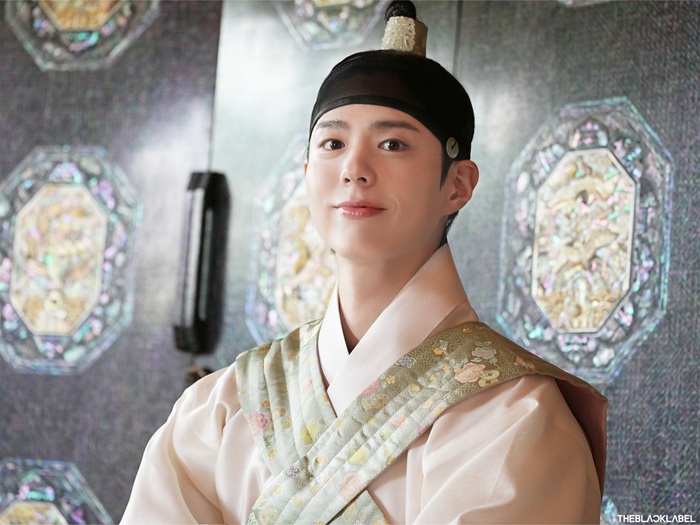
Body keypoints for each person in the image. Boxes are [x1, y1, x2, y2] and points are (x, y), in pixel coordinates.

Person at [121, 2, 606, 523]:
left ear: (458, 184)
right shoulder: (224, 404)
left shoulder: (512, 418)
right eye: (332, 142)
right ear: (307, 173)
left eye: (393, 143)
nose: (354, 168)